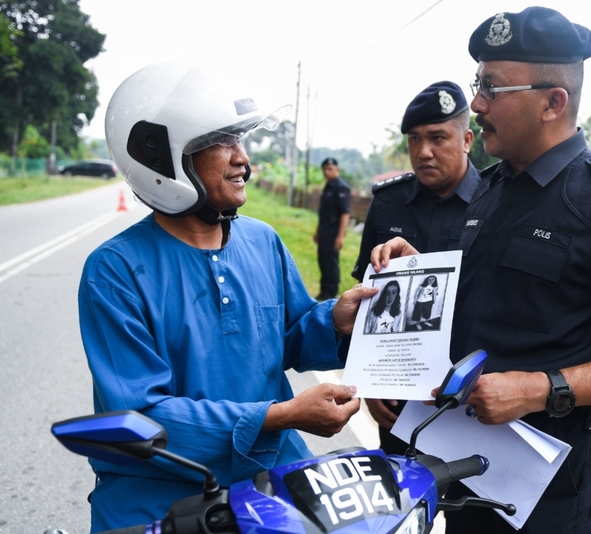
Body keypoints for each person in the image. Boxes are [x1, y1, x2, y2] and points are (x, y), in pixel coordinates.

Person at [370, 7, 591, 533]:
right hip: (462, 463)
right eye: (479, 84)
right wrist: (417, 276)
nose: (476, 104)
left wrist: (542, 387)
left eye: (493, 89)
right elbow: (485, 308)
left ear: (553, 102)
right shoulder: (490, 191)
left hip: (550, 491)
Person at [79, 64, 376, 532]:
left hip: (269, 480)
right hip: (163, 501)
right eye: (222, 143)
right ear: (163, 159)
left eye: (241, 140)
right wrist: (278, 416)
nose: (243, 158)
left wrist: (335, 320)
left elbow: (290, 336)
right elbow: (142, 417)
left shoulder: (263, 241)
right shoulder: (115, 270)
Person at [352, 81, 480, 456]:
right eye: (413, 139)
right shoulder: (388, 203)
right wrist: (370, 382)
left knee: (463, 508)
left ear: (467, 139)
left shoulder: (495, 203)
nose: (423, 152)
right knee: (400, 500)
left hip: (469, 391)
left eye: (438, 138)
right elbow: (369, 301)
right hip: (399, 394)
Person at [314, 157, 350, 300]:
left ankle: (331, 292)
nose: (326, 172)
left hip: (334, 229)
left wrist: (340, 236)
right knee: (322, 260)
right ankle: (324, 291)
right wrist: (318, 231)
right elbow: (322, 213)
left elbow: (345, 214)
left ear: (337, 170)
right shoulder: (328, 186)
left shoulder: (341, 187)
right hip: (324, 228)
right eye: (324, 170)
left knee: (331, 262)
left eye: (330, 169)